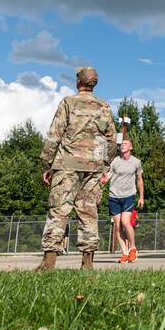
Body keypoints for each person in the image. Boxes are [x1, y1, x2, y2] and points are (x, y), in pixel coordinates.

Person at [38, 66, 116, 271]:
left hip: (67, 165)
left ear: (78, 82)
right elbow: (111, 141)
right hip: (93, 168)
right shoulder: (104, 107)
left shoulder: (68, 103)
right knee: (88, 213)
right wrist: (104, 166)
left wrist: (46, 164)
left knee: (59, 210)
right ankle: (87, 264)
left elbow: (55, 135)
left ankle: (49, 263)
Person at [103, 137, 144, 264]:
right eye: (122, 144)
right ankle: (124, 253)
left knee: (126, 222)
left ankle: (133, 248)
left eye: (125, 144)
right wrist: (104, 179)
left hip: (128, 196)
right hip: (114, 196)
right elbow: (108, 175)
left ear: (130, 147)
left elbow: (139, 180)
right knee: (117, 226)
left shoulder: (136, 162)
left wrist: (141, 197)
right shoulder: (115, 161)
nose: (122, 145)